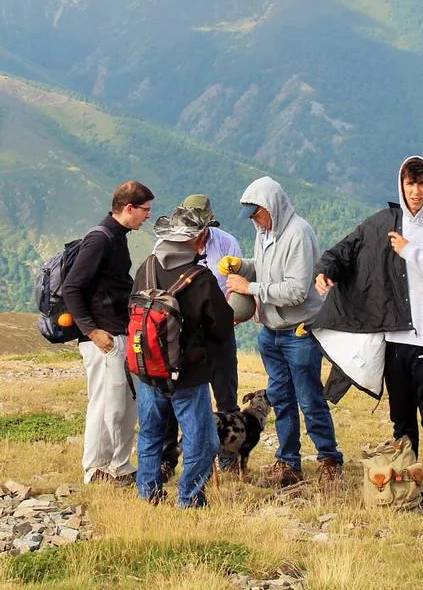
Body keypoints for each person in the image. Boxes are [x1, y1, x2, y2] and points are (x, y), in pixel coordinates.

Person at [313, 155, 423, 514]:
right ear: (401, 185)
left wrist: (410, 252)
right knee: (401, 419)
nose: (416, 191)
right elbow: (348, 247)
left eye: (422, 183)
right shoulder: (388, 221)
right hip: (396, 338)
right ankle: (406, 482)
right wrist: (326, 269)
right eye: (410, 184)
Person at [221, 176, 342, 488]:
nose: (253, 219)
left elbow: (297, 291)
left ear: (271, 207)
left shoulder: (298, 235)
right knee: (282, 398)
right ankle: (288, 462)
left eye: (256, 212)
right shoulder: (265, 233)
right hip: (271, 331)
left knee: (309, 397)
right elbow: (265, 268)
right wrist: (243, 266)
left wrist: (250, 287)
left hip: (298, 331)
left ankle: (329, 459)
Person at [134, 205, 235, 507]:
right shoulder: (200, 279)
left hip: (148, 370)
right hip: (187, 375)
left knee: (151, 433)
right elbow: (221, 326)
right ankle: (189, 498)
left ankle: (148, 493)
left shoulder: (146, 268)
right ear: (193, 239)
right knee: (199, 440)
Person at [60, 180, 154, 484]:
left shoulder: (118, 236)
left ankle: (120, 466)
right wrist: (92, 331)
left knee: (127, 403)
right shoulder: (100, 240)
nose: (148, 217)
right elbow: (72, 287)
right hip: (103, 339)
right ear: (128, 208)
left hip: (119, 332)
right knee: (105, 405)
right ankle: (96, 470)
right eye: (145, 210)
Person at [156, 194, 246, 478]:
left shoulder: (227, 243)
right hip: (181, 336)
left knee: (226, 395)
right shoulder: (163, 247)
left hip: (219, 332)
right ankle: (168, 459)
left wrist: (233, 312)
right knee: (175, 397)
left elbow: (235, 285)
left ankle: (228, 460)